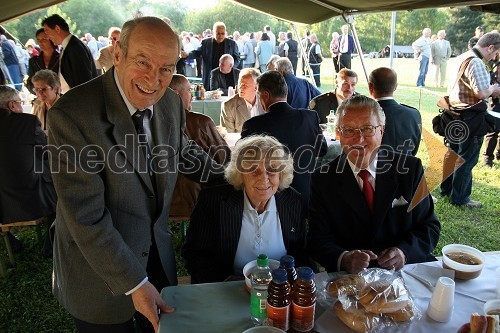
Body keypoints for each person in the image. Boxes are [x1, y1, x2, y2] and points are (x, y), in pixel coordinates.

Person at [47, 17, 223, 333]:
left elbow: (184, 152)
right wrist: (135, 283)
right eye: (143, 62)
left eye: (166, 68)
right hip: (98, 275)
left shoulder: (170, 102)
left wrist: (235, 178)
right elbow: (86, 216)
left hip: (155, 255)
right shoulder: (71, 115)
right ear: (117, 54)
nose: (154, 79)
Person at [307, 95, 441, 273]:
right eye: (348, 130)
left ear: (382, 130)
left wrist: (404, 252)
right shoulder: (322, 179)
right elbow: (317, 239)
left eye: (367, 129)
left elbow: (428, 226)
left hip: (404, 272)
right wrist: (344, 258)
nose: (358, 139)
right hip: (351, 279)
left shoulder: (410, 169)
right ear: (338, 133)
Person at [181, 135, 306, 283]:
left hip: (279, 290)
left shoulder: (293, 201)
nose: (264, 178)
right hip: (227, 291)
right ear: (240, 174)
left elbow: (299, 252)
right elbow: (194, 254)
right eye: (254, 170)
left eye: (272, 169)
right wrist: (225, 280)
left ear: (281, 174)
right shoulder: (213, 201)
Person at [241, 71, 327, 211]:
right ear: (285, 93)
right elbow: (322, 150)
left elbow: (242, 162)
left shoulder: (253, 125)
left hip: (271, 199)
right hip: (307, 195)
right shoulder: (310, 117)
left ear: (266, 95)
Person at [440, 31, 500, 207]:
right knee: (467, 159)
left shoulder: (462, 57)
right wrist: (493, 89)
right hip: (471, 117)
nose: (495, 57)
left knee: (452, 155)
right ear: (490, 47)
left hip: (454, 114)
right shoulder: (476, 62)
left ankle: (446, 190)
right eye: (496, 53)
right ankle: (460, 198)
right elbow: (481, 92)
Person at [0, 85, 57, 254]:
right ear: (11, 105)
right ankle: (51, 241)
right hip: (32, 200)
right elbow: (47, 151)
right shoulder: (27, 122)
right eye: (18, 103)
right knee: (56, 178)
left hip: (2, 207)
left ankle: (11, 244)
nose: (20, 106)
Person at [169, 74, 231, 217]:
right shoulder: (201, 123)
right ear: (176, 95)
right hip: (197, 208)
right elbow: (226, 162)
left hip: (161, 213)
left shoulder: (151, 122)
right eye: (189, 91)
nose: (192, 96)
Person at [368, 67, 421, 156]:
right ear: (395, 87)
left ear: (370, 86)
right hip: (407, 166)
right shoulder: (414, 114)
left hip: (375, 167)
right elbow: (414, 149)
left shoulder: (365, 115)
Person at [42, 14, 98, 94]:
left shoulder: (75, 47)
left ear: (57, 29)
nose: (47, 37)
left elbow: (83, 81)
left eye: (47, 32)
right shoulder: (68, 47)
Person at [182, 21, 240, 90]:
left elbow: (237, 58)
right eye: (218, 33)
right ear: (213, 33)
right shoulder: (206, 42)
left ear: (225, 33)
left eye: (222, 33)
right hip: (209, 75)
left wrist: (230, 67)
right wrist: (188, 55)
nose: (220, 36)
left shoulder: (232, 44)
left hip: (226, 76)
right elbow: (197, 53)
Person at [220, 68, 263, 133]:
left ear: (256, 88)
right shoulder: (228, 106)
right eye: (240, 84)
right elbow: (229, 136)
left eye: (244, 85)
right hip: (240, 142)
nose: (240, 88)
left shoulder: (266, 101)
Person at [26, 28, 59, 94]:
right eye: (38, 39)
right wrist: (39, 92)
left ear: (51, 39)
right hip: (41, 97)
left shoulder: (62, 58)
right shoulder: (33, 61)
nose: (40, 42)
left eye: (44, 39)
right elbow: (30, 83)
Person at [31, 69, 60, 133]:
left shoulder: (64, 106)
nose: (39, 93)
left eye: (43, 89)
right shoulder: (37, 105)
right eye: (36, 89)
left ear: (55, 88)